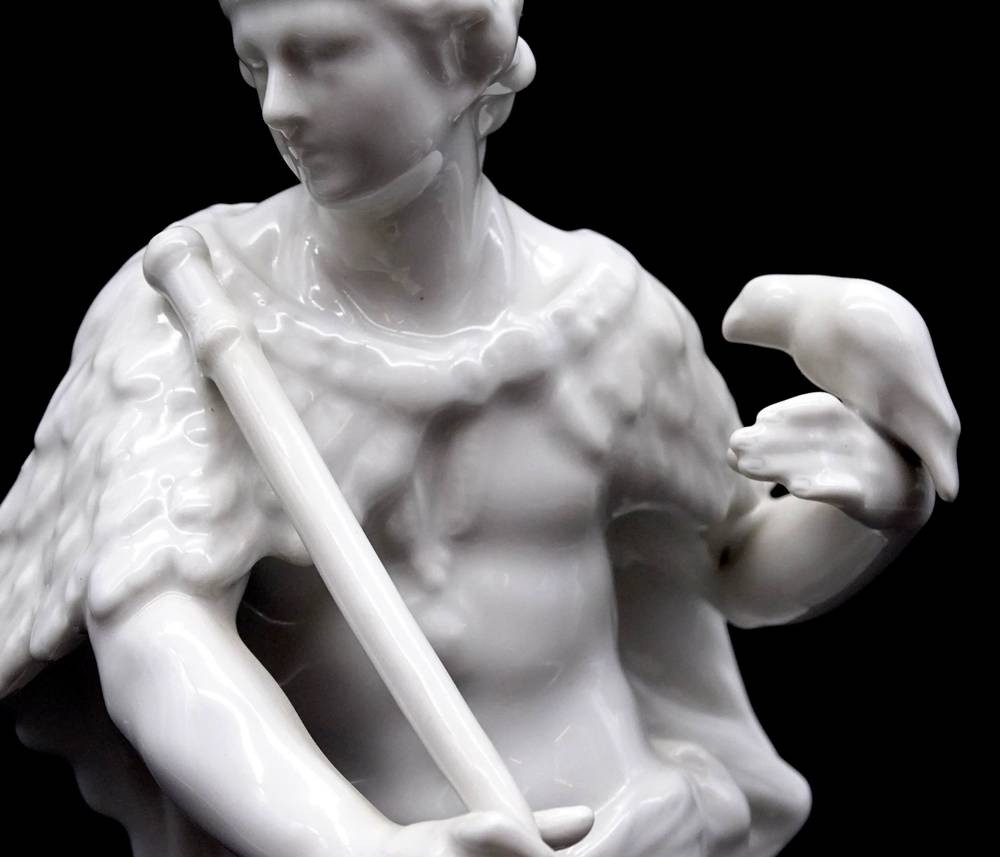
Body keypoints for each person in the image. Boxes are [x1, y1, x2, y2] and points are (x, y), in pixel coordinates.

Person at [0, 2, 959, 856]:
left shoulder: (602, 316)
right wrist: (359, 846)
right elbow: (153, 633)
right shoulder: (195, 304)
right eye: (256, 64)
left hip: (624, 824)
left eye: (322, 56)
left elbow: (735, 565)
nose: (279, 106)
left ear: (464, 54)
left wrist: (874, 508)